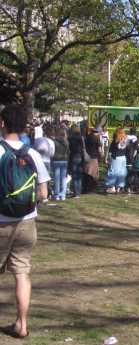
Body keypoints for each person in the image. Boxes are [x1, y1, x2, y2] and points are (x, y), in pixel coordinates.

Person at [0, 104, 50, 339]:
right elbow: (44, 193)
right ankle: (22, 325)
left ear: (3, 123)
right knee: (22, 273)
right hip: (27, 222)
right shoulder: (33, 154)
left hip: (1, 222)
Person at [106, 128, 128, 193]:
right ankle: (119, 187)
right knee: (121, 173)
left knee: (113, 172)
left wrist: (108, 159)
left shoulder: (114, 141)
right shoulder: (125, 141)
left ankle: (112, 187)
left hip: (116, 158)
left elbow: (110, 152)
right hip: (123, 158)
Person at [52, 128, 69, 201]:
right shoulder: (66, 142)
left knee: (56, 179)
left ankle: (57, 195)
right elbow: (68, 152)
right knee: (63, 179)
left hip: (56, 160)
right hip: (64, 161)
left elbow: (52, 151)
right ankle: (63, 195)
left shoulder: (54, 142)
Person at [68, 125, 85, 198]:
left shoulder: (70, 138)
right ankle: (78, 191)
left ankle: (76, 192)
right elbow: (83, 148)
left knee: (75, 176)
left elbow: (69, 149)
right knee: (79, 176)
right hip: (80, 157)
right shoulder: (81, 138)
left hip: (73, 156)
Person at [83, 128, 101, 193]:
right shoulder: (97, 139)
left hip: (87, 157)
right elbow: (99, 149)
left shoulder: (87, 138)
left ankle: (85, 188)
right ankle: (91, 188)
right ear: (96, 132)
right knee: (93, 174)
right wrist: (101, 156)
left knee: (87, 173)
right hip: (94, 158)